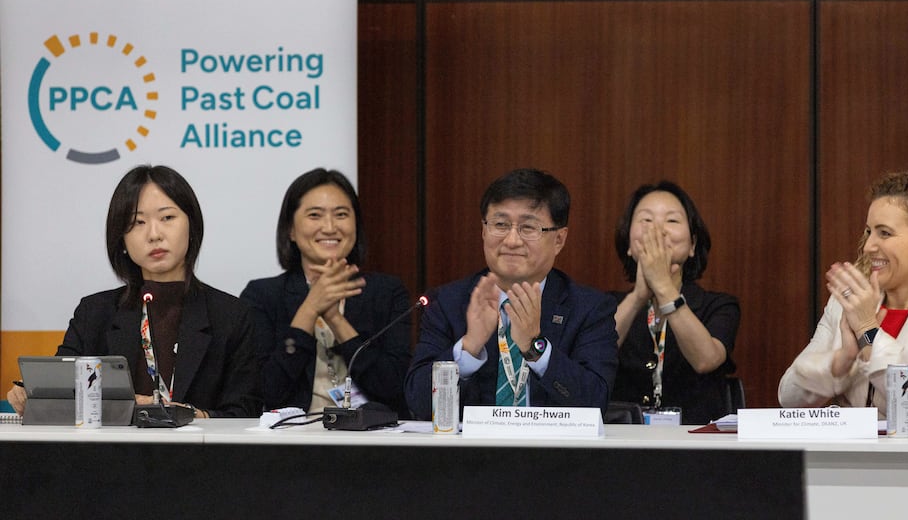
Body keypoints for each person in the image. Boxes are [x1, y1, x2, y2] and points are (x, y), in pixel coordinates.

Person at [6, 165, 261, 417]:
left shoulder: (231, 315)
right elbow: (60, 392)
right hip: (111, 456)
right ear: (122, 240)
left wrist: (193, 416)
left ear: (192, 226)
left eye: (167, 218)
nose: (154, 234)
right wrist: (31, 394)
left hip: (199, 455)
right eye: (137, 222)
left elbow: (246, 410)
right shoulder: (94, 313)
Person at [778, 171, 908, 420]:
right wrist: (841, 361)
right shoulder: (845, 304)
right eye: (869, 231)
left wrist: (869, 330)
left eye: (885, 233)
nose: (869, 246)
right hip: (842, 457)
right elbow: (788, 397)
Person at [404, 168, 619, 419]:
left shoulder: (589, 308)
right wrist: (469, 348)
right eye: (500, 224)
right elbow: (418, 406)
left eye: (529, 227)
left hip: (554, 455)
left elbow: (594, 404)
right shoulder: (449, 303)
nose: (512, 240)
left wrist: (534, 348)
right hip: (470, 455)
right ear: (484, 231)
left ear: (559, 239)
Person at [240, 169, 411, 415]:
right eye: (315, 215)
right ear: (291, 230)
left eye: (341, 215)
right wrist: (310, 308)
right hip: (291, 440)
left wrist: (336, 318)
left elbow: (393, 387)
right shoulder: (263, 296)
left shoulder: (386, 292)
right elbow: (266, 391)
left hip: (371, 440)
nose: (329, 227)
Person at [610, 181, 740, 425]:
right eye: (646, 221)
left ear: (692, 245)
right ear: (629, 244)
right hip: (621, 444)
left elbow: (705, 360)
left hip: (696, 445)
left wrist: (663, 287)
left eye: (672, 221)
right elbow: (594, 352)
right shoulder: (607, 306)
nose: (658, 230)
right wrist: (638, 297)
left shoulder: (719, 305)